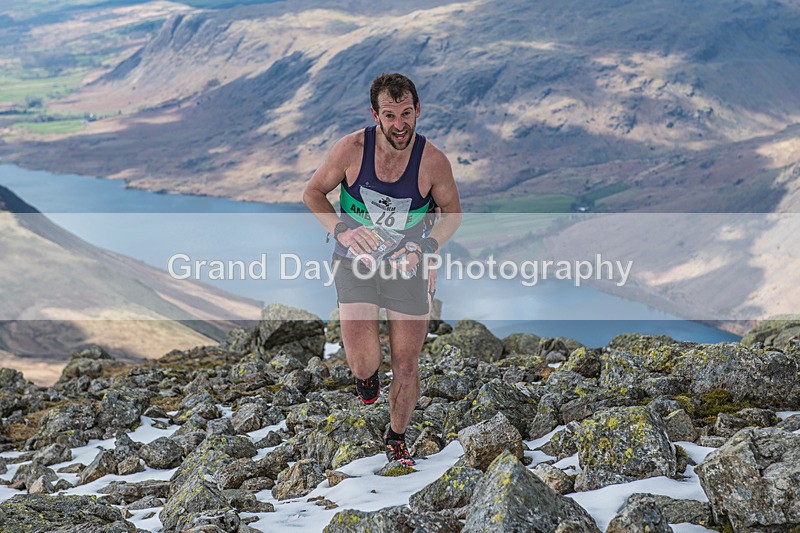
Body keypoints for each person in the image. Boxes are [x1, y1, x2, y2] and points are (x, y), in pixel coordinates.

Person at [303, 73, 461, 466]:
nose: (400, 124)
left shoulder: (433, 162)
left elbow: (452, 214)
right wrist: (342, 230)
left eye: (406, 113)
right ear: (375, 115)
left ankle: (396, 438)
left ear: (418, 110)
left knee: (406, 364)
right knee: (363, 362)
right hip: (354, 262)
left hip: (408, 266)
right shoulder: (351, 150)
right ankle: (366, 376)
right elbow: (313, 192)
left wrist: (427, 249)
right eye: (390, 115)